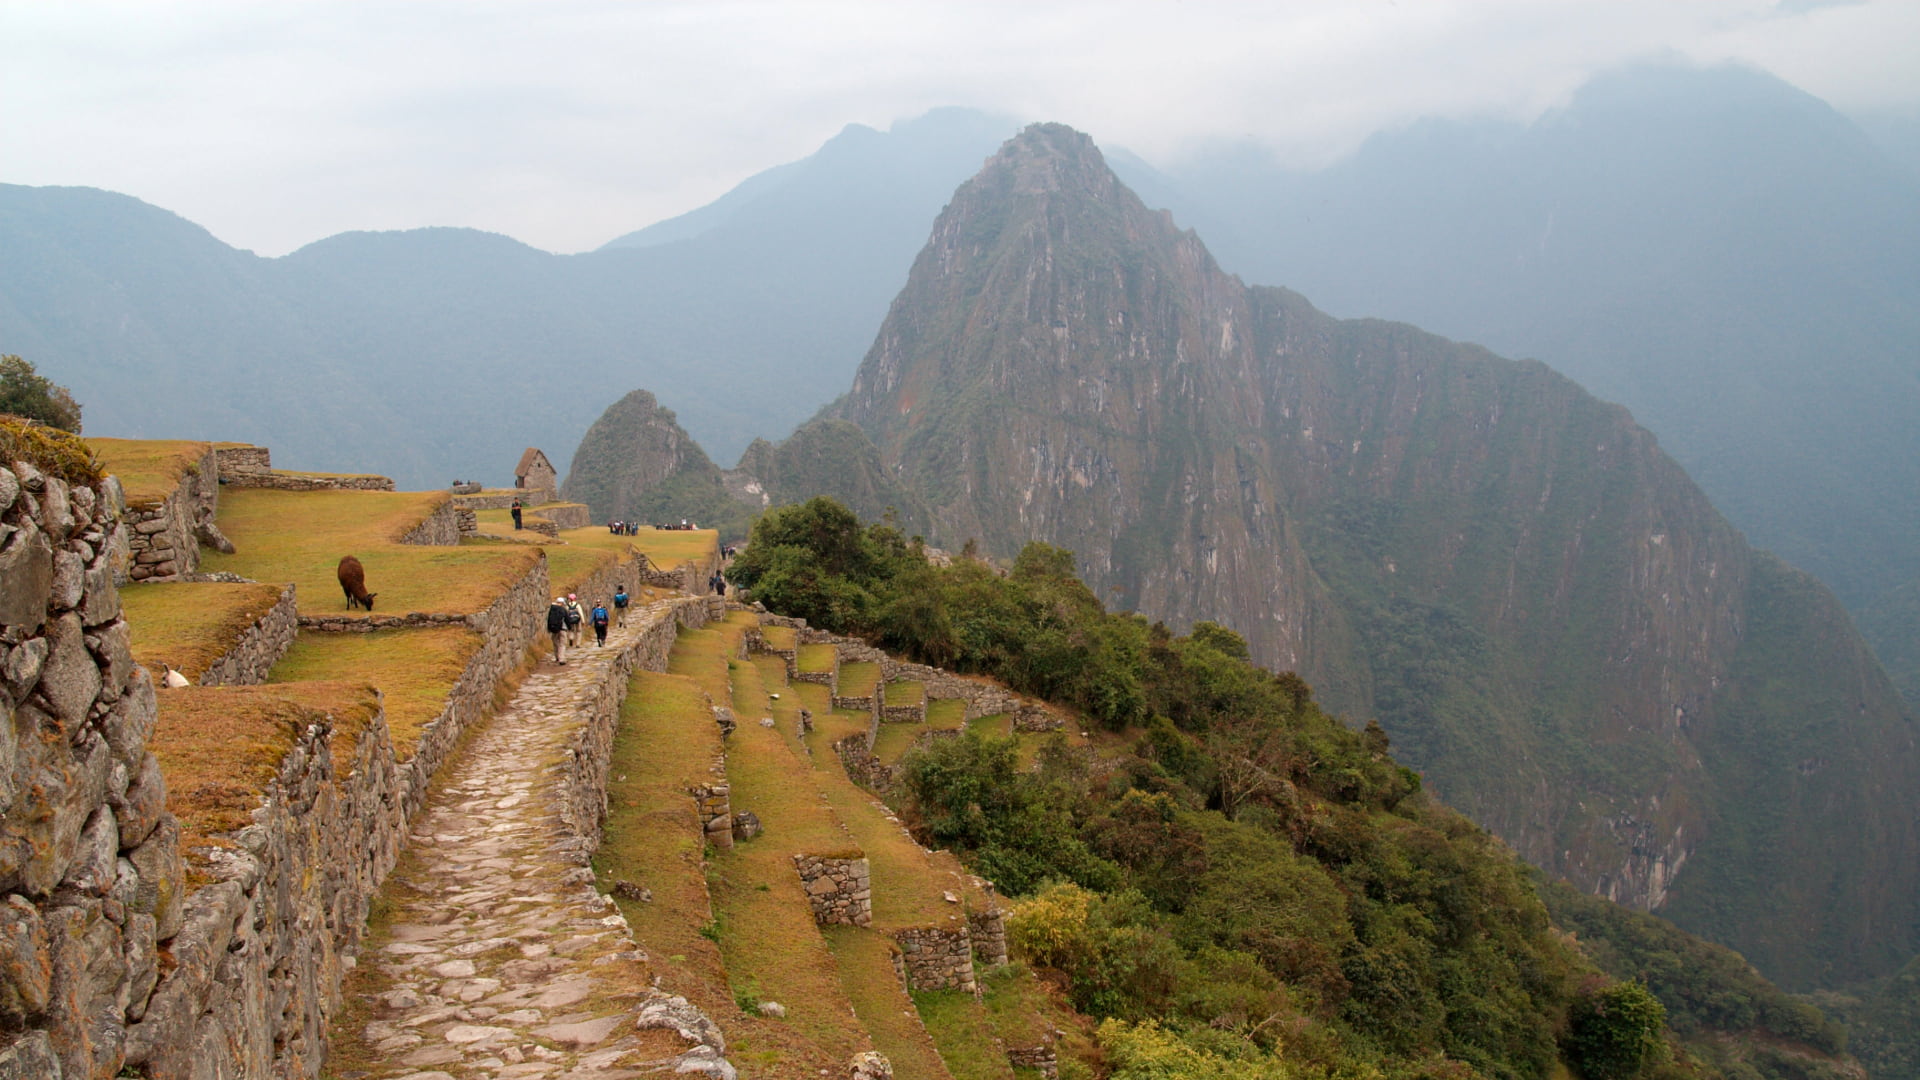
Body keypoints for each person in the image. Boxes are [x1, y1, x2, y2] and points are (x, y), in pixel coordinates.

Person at [545, 596, 569, 664]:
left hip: (554, 629)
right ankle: (561, 658)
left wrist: (549, 628)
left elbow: (549, 619)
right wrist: (569, 628)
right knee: (562, 644)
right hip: (562, 629)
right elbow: (567, 619)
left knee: (555, 643)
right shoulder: (563, 609)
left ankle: (557, 657)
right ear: (562, 603)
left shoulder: (552, 609)